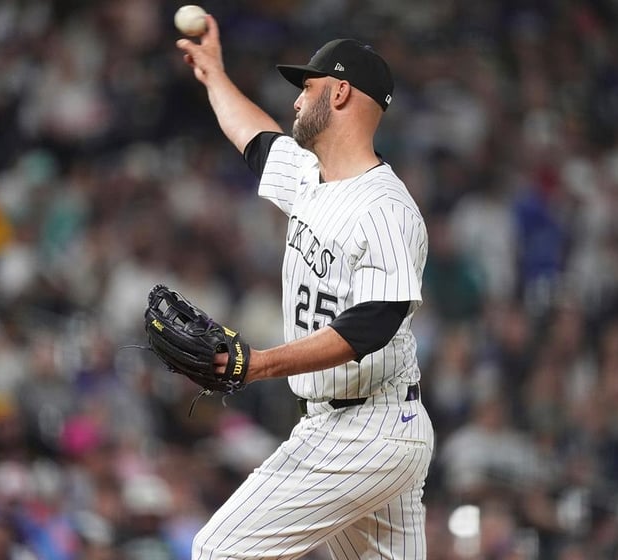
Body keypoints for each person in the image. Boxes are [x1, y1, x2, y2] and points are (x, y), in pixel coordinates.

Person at [176, 13, 434, 560]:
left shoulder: (386, 209)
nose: (296, 101)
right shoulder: (310, 173)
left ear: (340, 92)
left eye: (307, 87)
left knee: (218, 551)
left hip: (367, 429)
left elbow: (372, 325)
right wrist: (215, 75)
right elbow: (253, 137)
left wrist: (260, 363)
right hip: (368, 425)